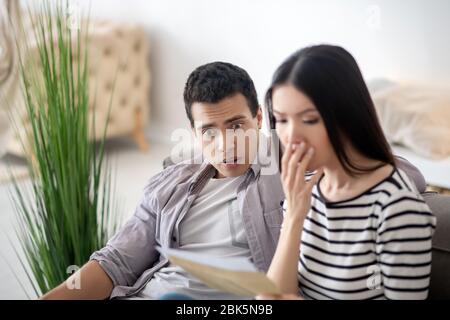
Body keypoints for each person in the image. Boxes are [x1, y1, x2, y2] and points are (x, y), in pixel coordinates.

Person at [41, 61, 427, 300]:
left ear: (259, 118)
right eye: (209, 131)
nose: (225, 143)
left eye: (237, 125)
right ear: (193, 132)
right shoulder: (170, 185)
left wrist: (296, 144)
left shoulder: (289, 163)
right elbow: (114, 265)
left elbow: (409, 174)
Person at [263, 45, 436, 300]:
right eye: (282, 120)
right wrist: (294, 217)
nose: (291, 137)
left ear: (347, 116)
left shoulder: (397, 208)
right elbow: (272, 297)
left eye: (309, 119)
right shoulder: (304, 190)